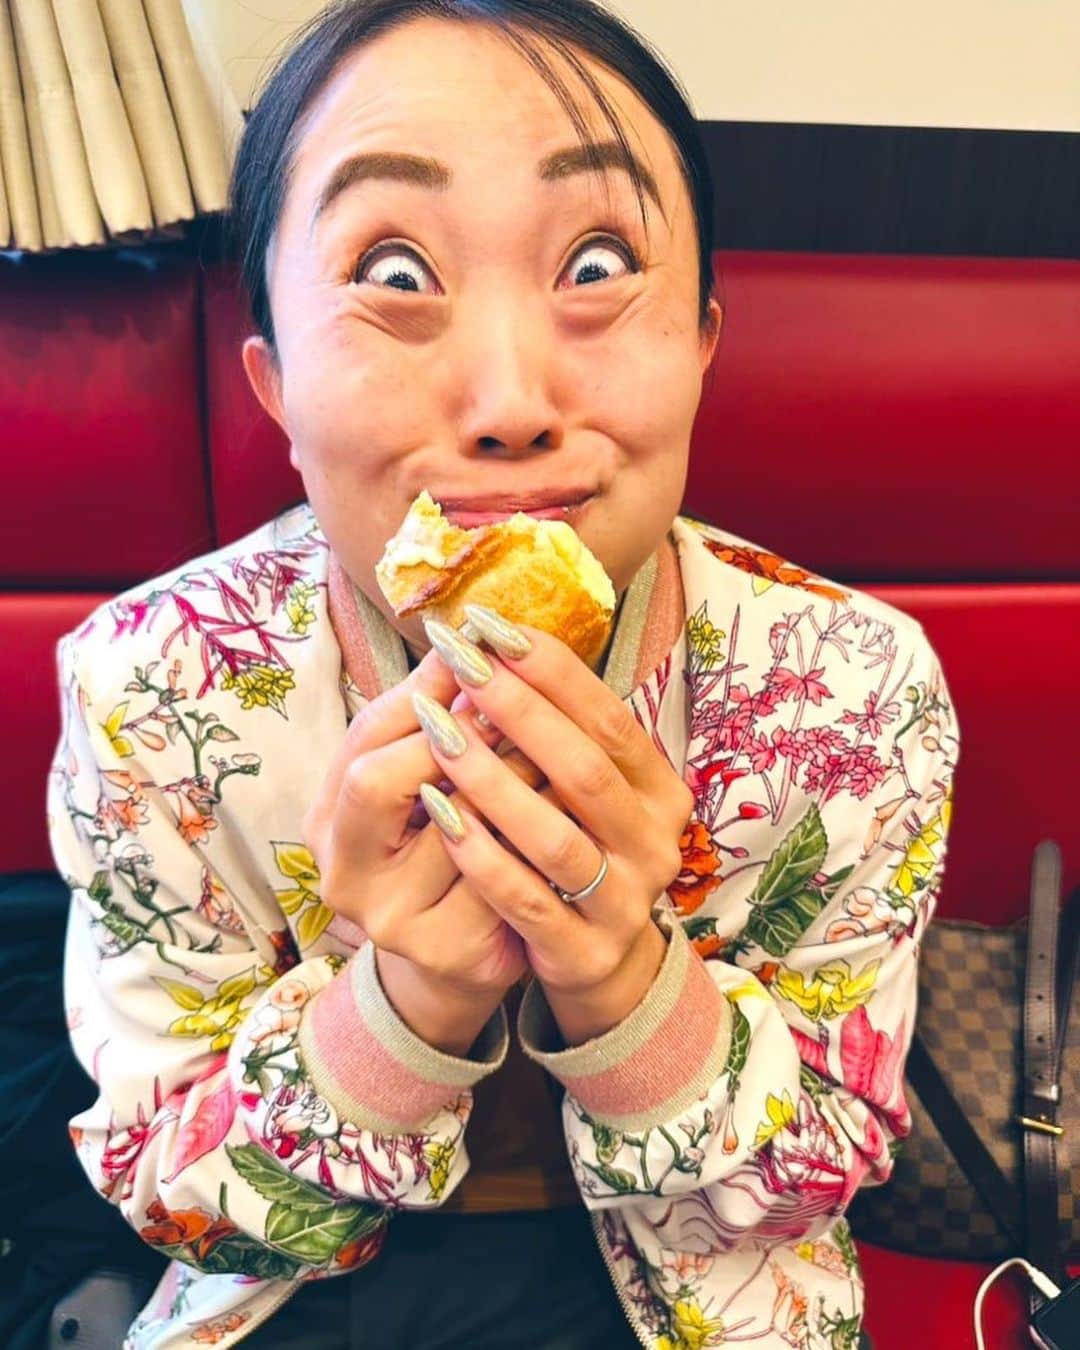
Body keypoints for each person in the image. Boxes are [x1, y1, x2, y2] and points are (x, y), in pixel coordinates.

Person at [47, 2, 959, 1346]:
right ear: (276, 383)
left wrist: (627, 982)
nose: (511, 401)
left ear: (703, 341)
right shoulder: (152, 692)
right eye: (394, 272)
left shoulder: (856, 687)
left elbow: (818, 1182)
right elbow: (176, 1207)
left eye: (597, 263)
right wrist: (400, 1002)